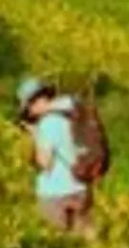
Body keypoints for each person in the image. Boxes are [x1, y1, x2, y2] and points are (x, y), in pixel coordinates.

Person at [26, 82, 90, 235]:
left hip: (55, 193)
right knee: (84, 237)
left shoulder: (48, 124)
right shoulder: (71, 117)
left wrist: (36, 136)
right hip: (80, 187)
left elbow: (45, 163)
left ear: (33, 104)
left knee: (57, 243)